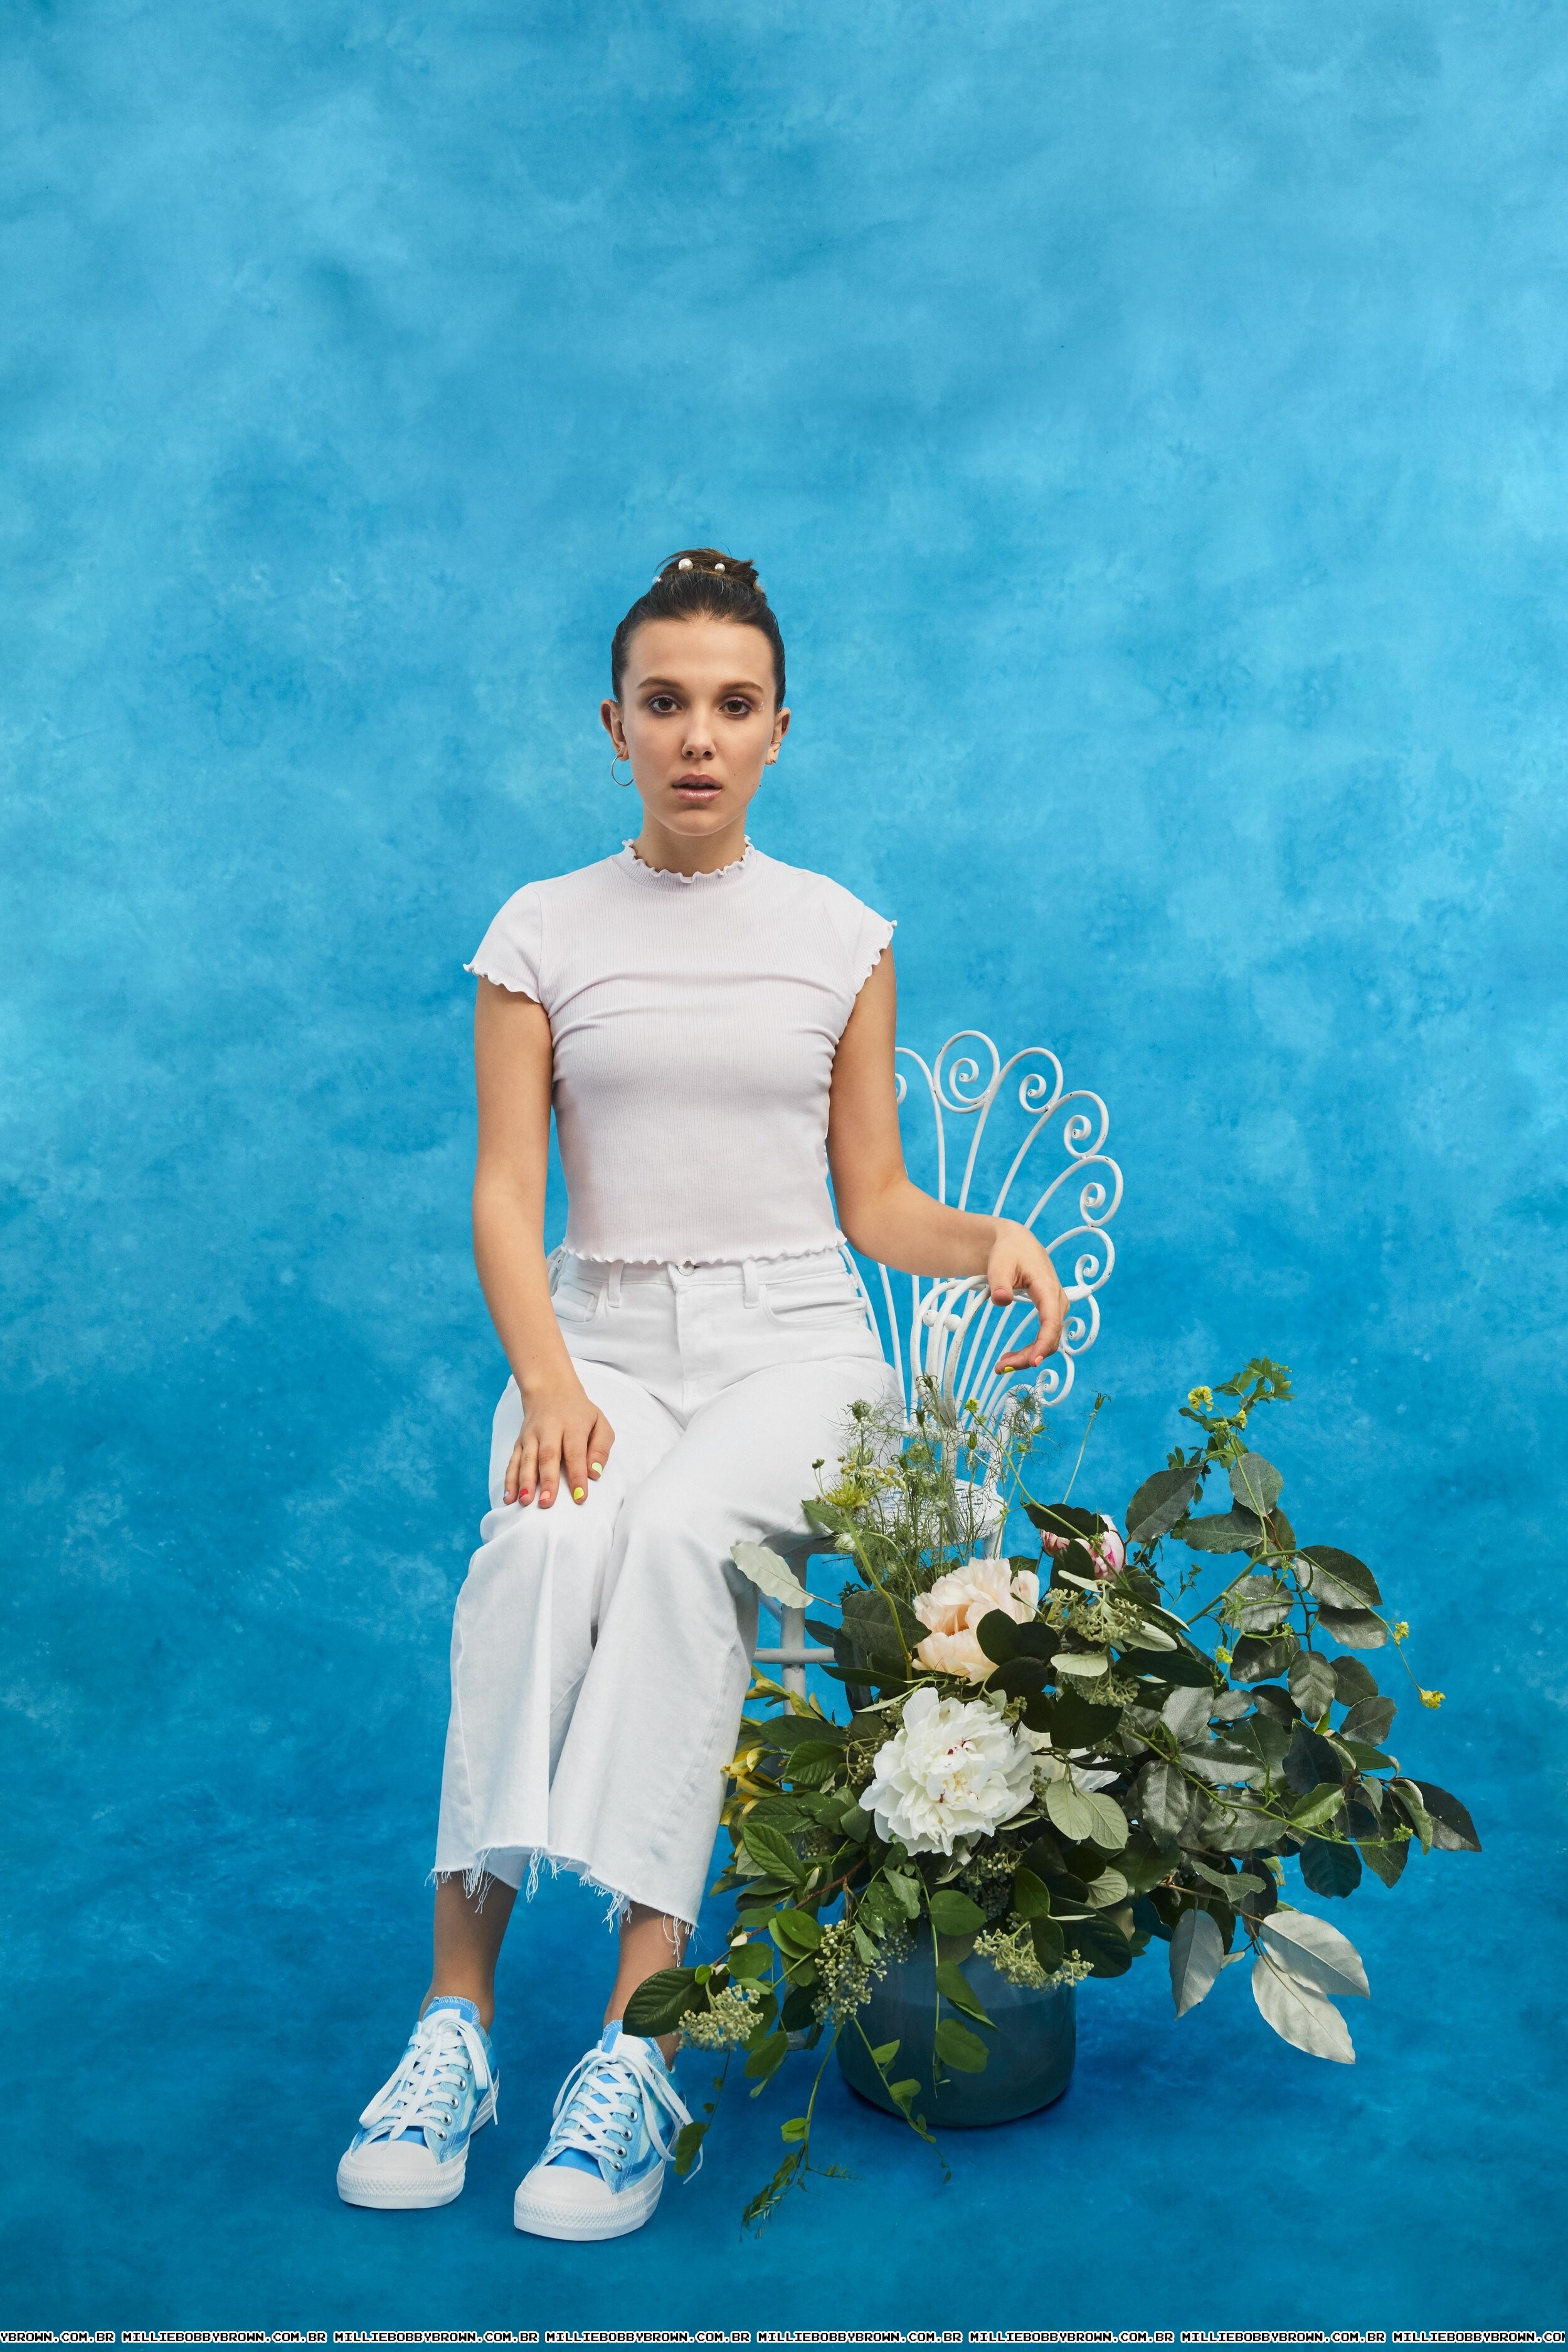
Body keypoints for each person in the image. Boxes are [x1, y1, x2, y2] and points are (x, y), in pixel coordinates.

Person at [336, 549, 1067, 2240]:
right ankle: (452, 2025)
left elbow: (874, 1202)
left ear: (778, 729)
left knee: (675, 1548)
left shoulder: (840, 937)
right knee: (540, 1546)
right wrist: (546, 1379)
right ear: (614, 725)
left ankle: (632, 2051)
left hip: (796, 1345)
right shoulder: (537, 932)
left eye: (733, 706)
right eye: (664, 704)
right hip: (596, 1341)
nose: (697, 737)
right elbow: (504, 1194)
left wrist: (985, 1242)